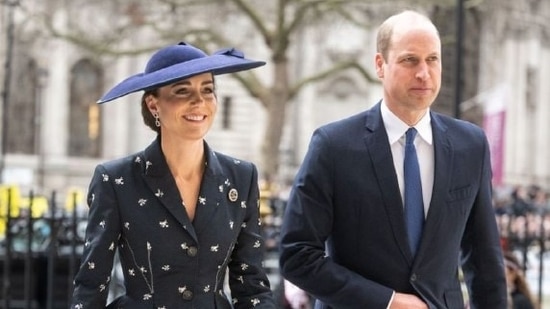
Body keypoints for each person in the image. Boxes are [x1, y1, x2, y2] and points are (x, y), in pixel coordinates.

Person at [279, 10, 507, 309]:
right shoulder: (333, 146)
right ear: (380, 65)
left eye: (432, 59)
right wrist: (387, 301)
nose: (423, 73)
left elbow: (484, 260)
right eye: (409, 60)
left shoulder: (471, 145)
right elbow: (297, 255)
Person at [70, 42, 276, 308]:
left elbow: (252, 287)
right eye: (182, 91)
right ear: (153, 105)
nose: (199, 101)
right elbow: (91, 285)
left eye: (208, 90)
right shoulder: (116, 180)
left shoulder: (241, 177)